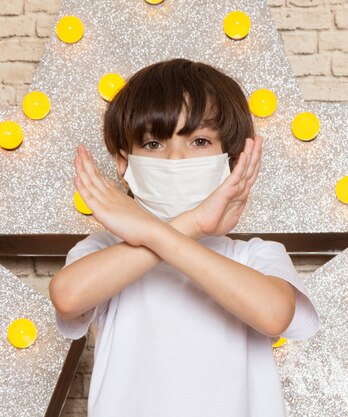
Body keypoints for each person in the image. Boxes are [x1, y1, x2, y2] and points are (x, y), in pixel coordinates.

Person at [49, 58, 320, 416]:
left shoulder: (255, 255)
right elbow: (67, 297)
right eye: (153, 144)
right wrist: (191, 225)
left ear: (232, 159)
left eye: (200, 141)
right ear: (123, 163)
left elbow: (274, 315)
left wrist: (158, 232)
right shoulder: (103, 250)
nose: (176, 158)